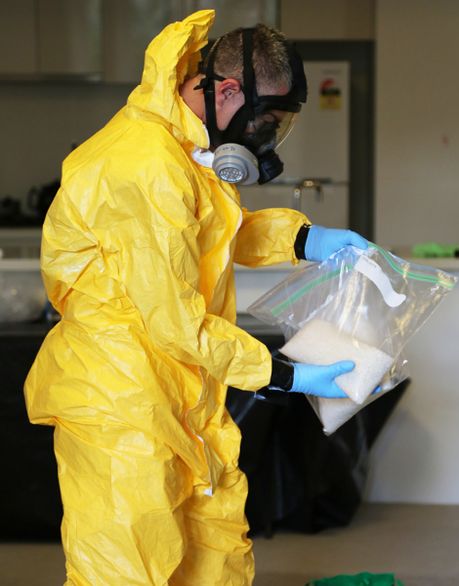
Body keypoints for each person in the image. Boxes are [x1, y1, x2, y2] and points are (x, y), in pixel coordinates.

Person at [24, 9, 368, 585]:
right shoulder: (143, 165)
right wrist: (281, 374)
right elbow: (176, 322)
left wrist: (304, 237)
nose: (263, 137)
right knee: (127, 566)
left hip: (177, 390)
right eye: (265, 120)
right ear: (228, 90)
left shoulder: (188, 150)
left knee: (210, 552)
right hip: (122, 397)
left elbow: (212, 231)